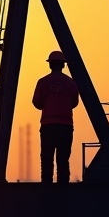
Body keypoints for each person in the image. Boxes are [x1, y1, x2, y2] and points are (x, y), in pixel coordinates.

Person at [33, 50, 80, 183]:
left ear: (50, 65)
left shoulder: (42, 82)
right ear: (63, 65)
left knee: (47, 159)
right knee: (63, 159)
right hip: (66, 126)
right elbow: (74, 102)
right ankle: (63, 189)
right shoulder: (71, 83)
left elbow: (36, 102)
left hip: (48, 125)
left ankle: (47, 188)